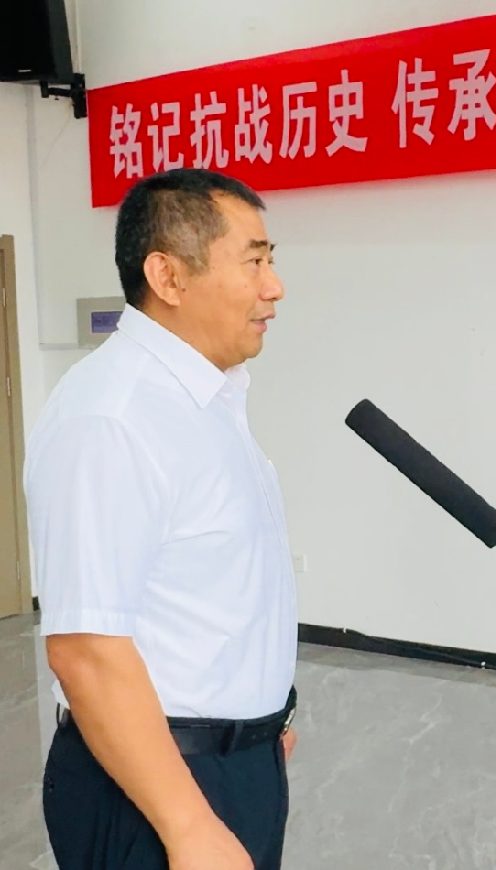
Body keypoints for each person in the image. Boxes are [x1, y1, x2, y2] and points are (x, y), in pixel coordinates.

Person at [26, 168, 297, 870]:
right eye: (254, 261)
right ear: (168, 276)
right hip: (152, 792)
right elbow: (86, 648)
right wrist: (188, 825)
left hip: (231, 764)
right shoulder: (112, 416)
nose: (274, 287)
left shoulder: (208, 400)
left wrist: (256, 722)